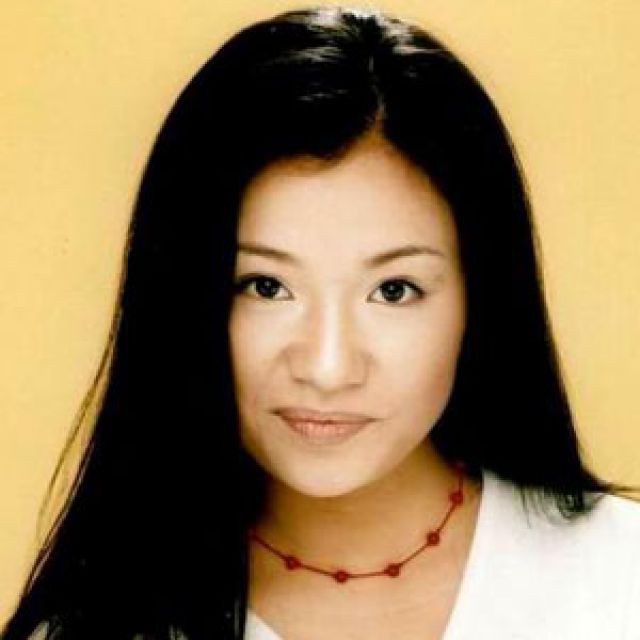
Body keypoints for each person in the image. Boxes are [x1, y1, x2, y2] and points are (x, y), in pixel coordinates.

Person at [3, 5, 640, 640]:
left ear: (482, 298)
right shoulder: (100, 627)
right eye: (266, 287)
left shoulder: (619, 577)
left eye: (393, 291)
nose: (327, 368)